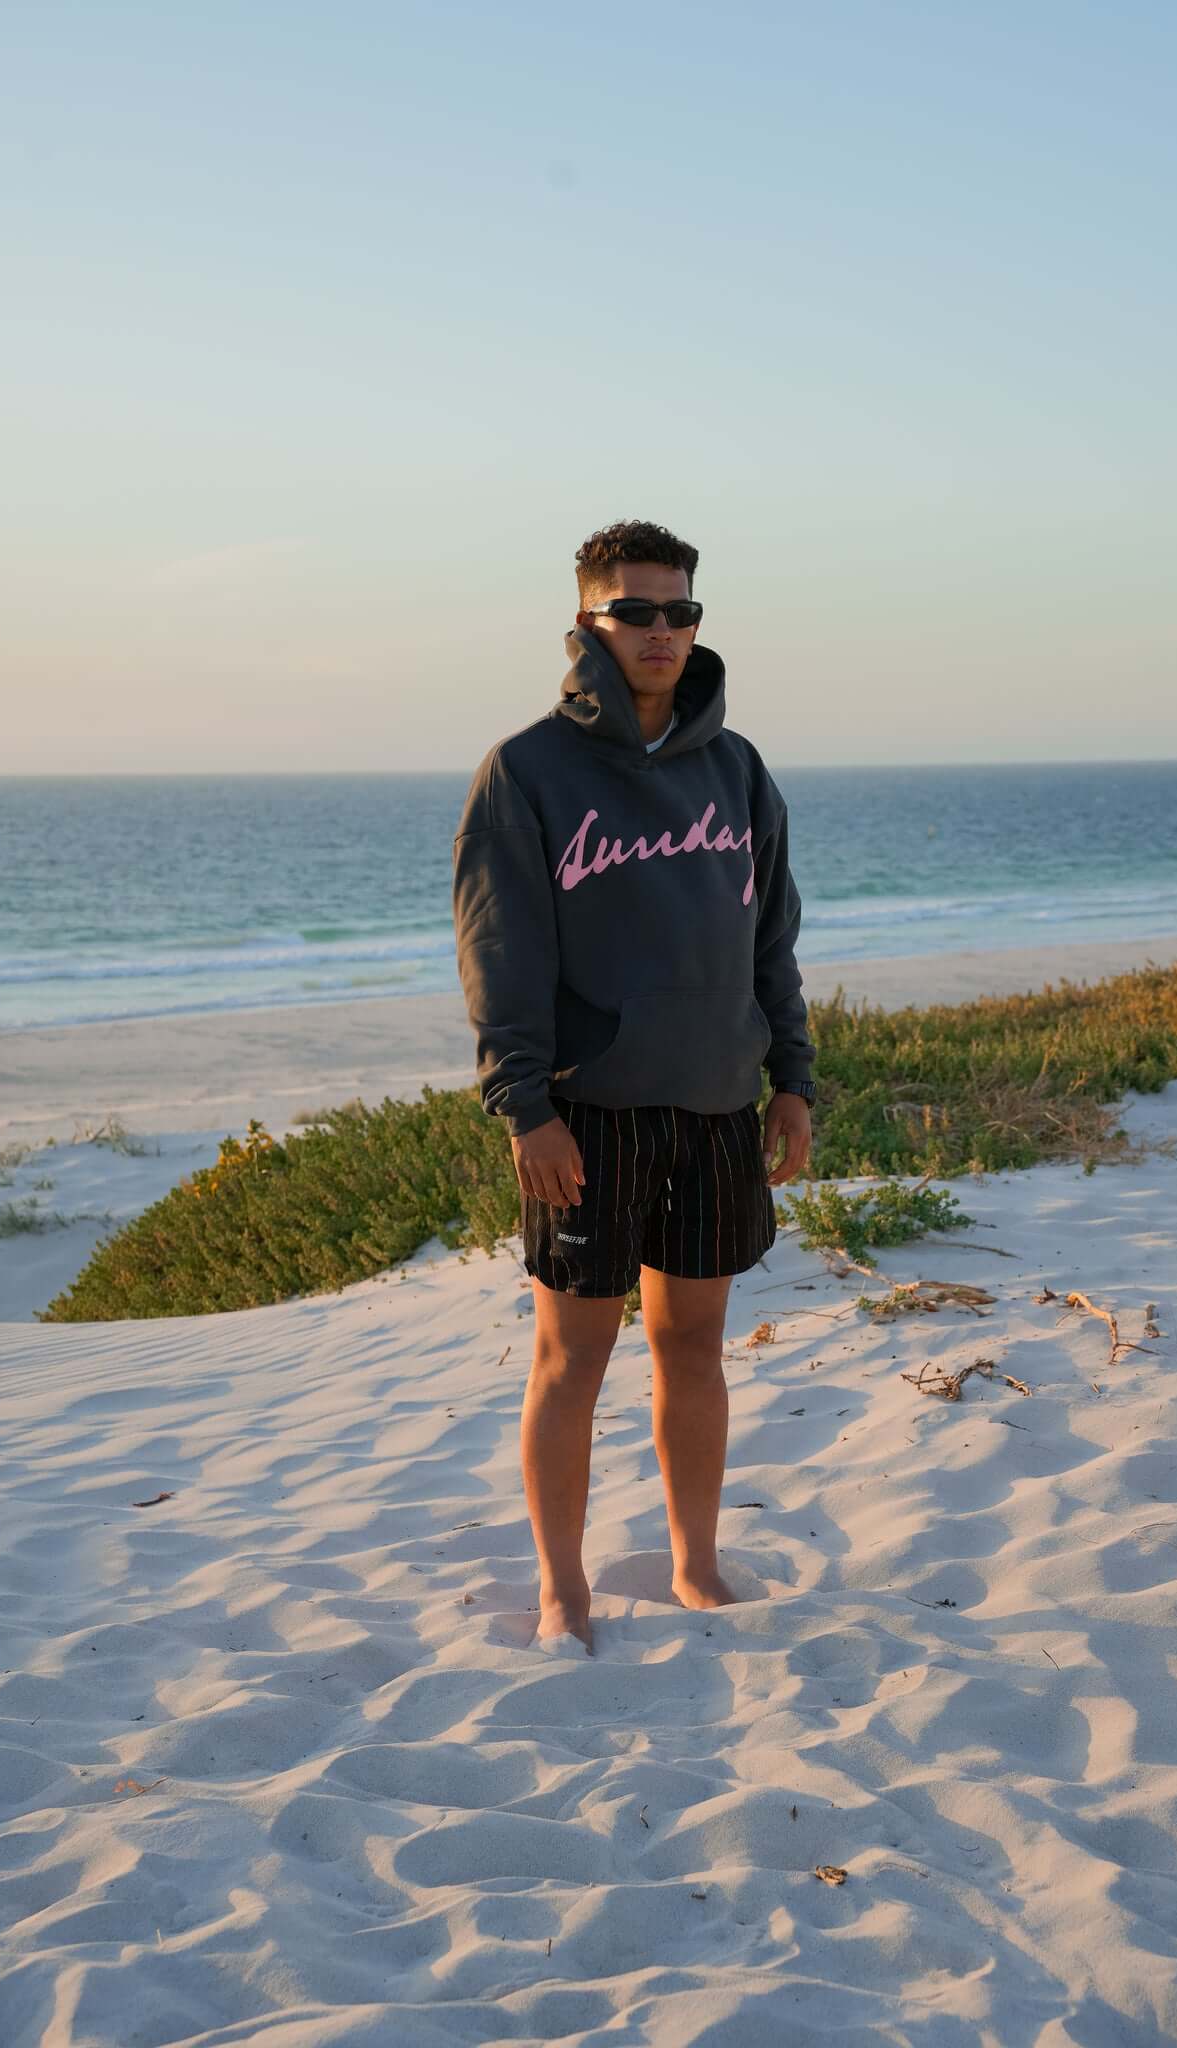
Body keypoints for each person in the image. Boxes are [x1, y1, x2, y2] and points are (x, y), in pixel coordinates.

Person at [451, 518, 816, 1653]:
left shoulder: (737, 767)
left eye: (680, 610)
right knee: (574, 1357)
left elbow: (773, 943)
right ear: (587, 623)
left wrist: (791, 1080)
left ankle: (695, 1563)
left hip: (715, 1103)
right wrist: (527, 1106)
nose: (662, 632)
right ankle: (562, 1586)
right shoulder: (526, 771)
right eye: (636, 611)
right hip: (587, 1113)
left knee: (694, 1348)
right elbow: (498, 954)